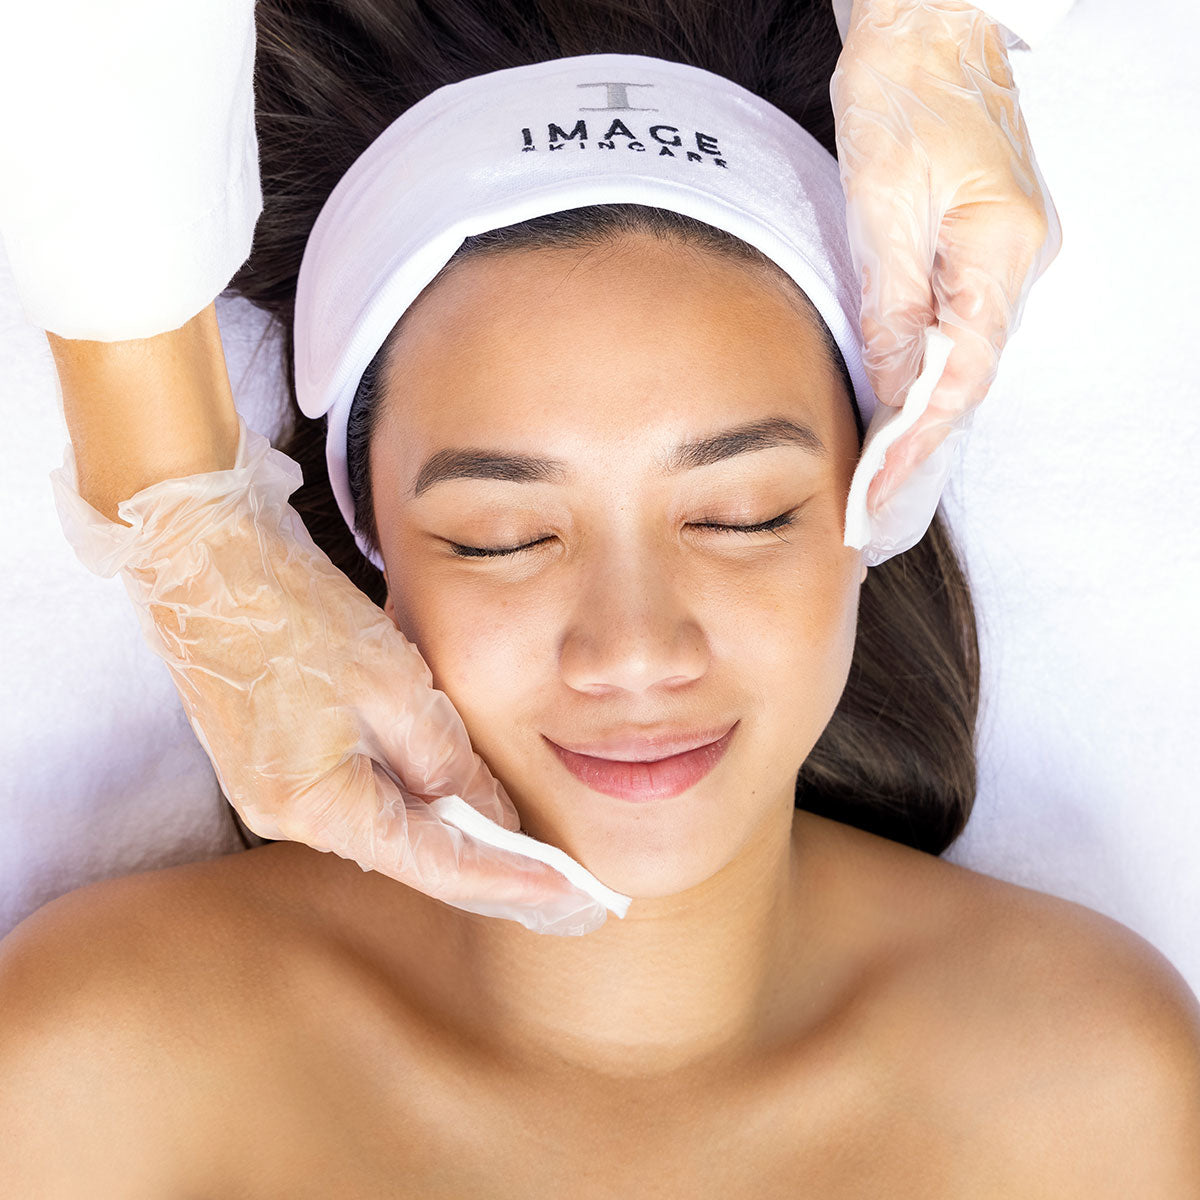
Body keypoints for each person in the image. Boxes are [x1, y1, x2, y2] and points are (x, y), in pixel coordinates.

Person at [2, 7, 1198, 1193]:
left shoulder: (1087, 1093)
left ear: (881, 492)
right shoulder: (101, 1070)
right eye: (502, 537)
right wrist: (176, 503)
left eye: (740, 516)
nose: (634, 650)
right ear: (360, 559)